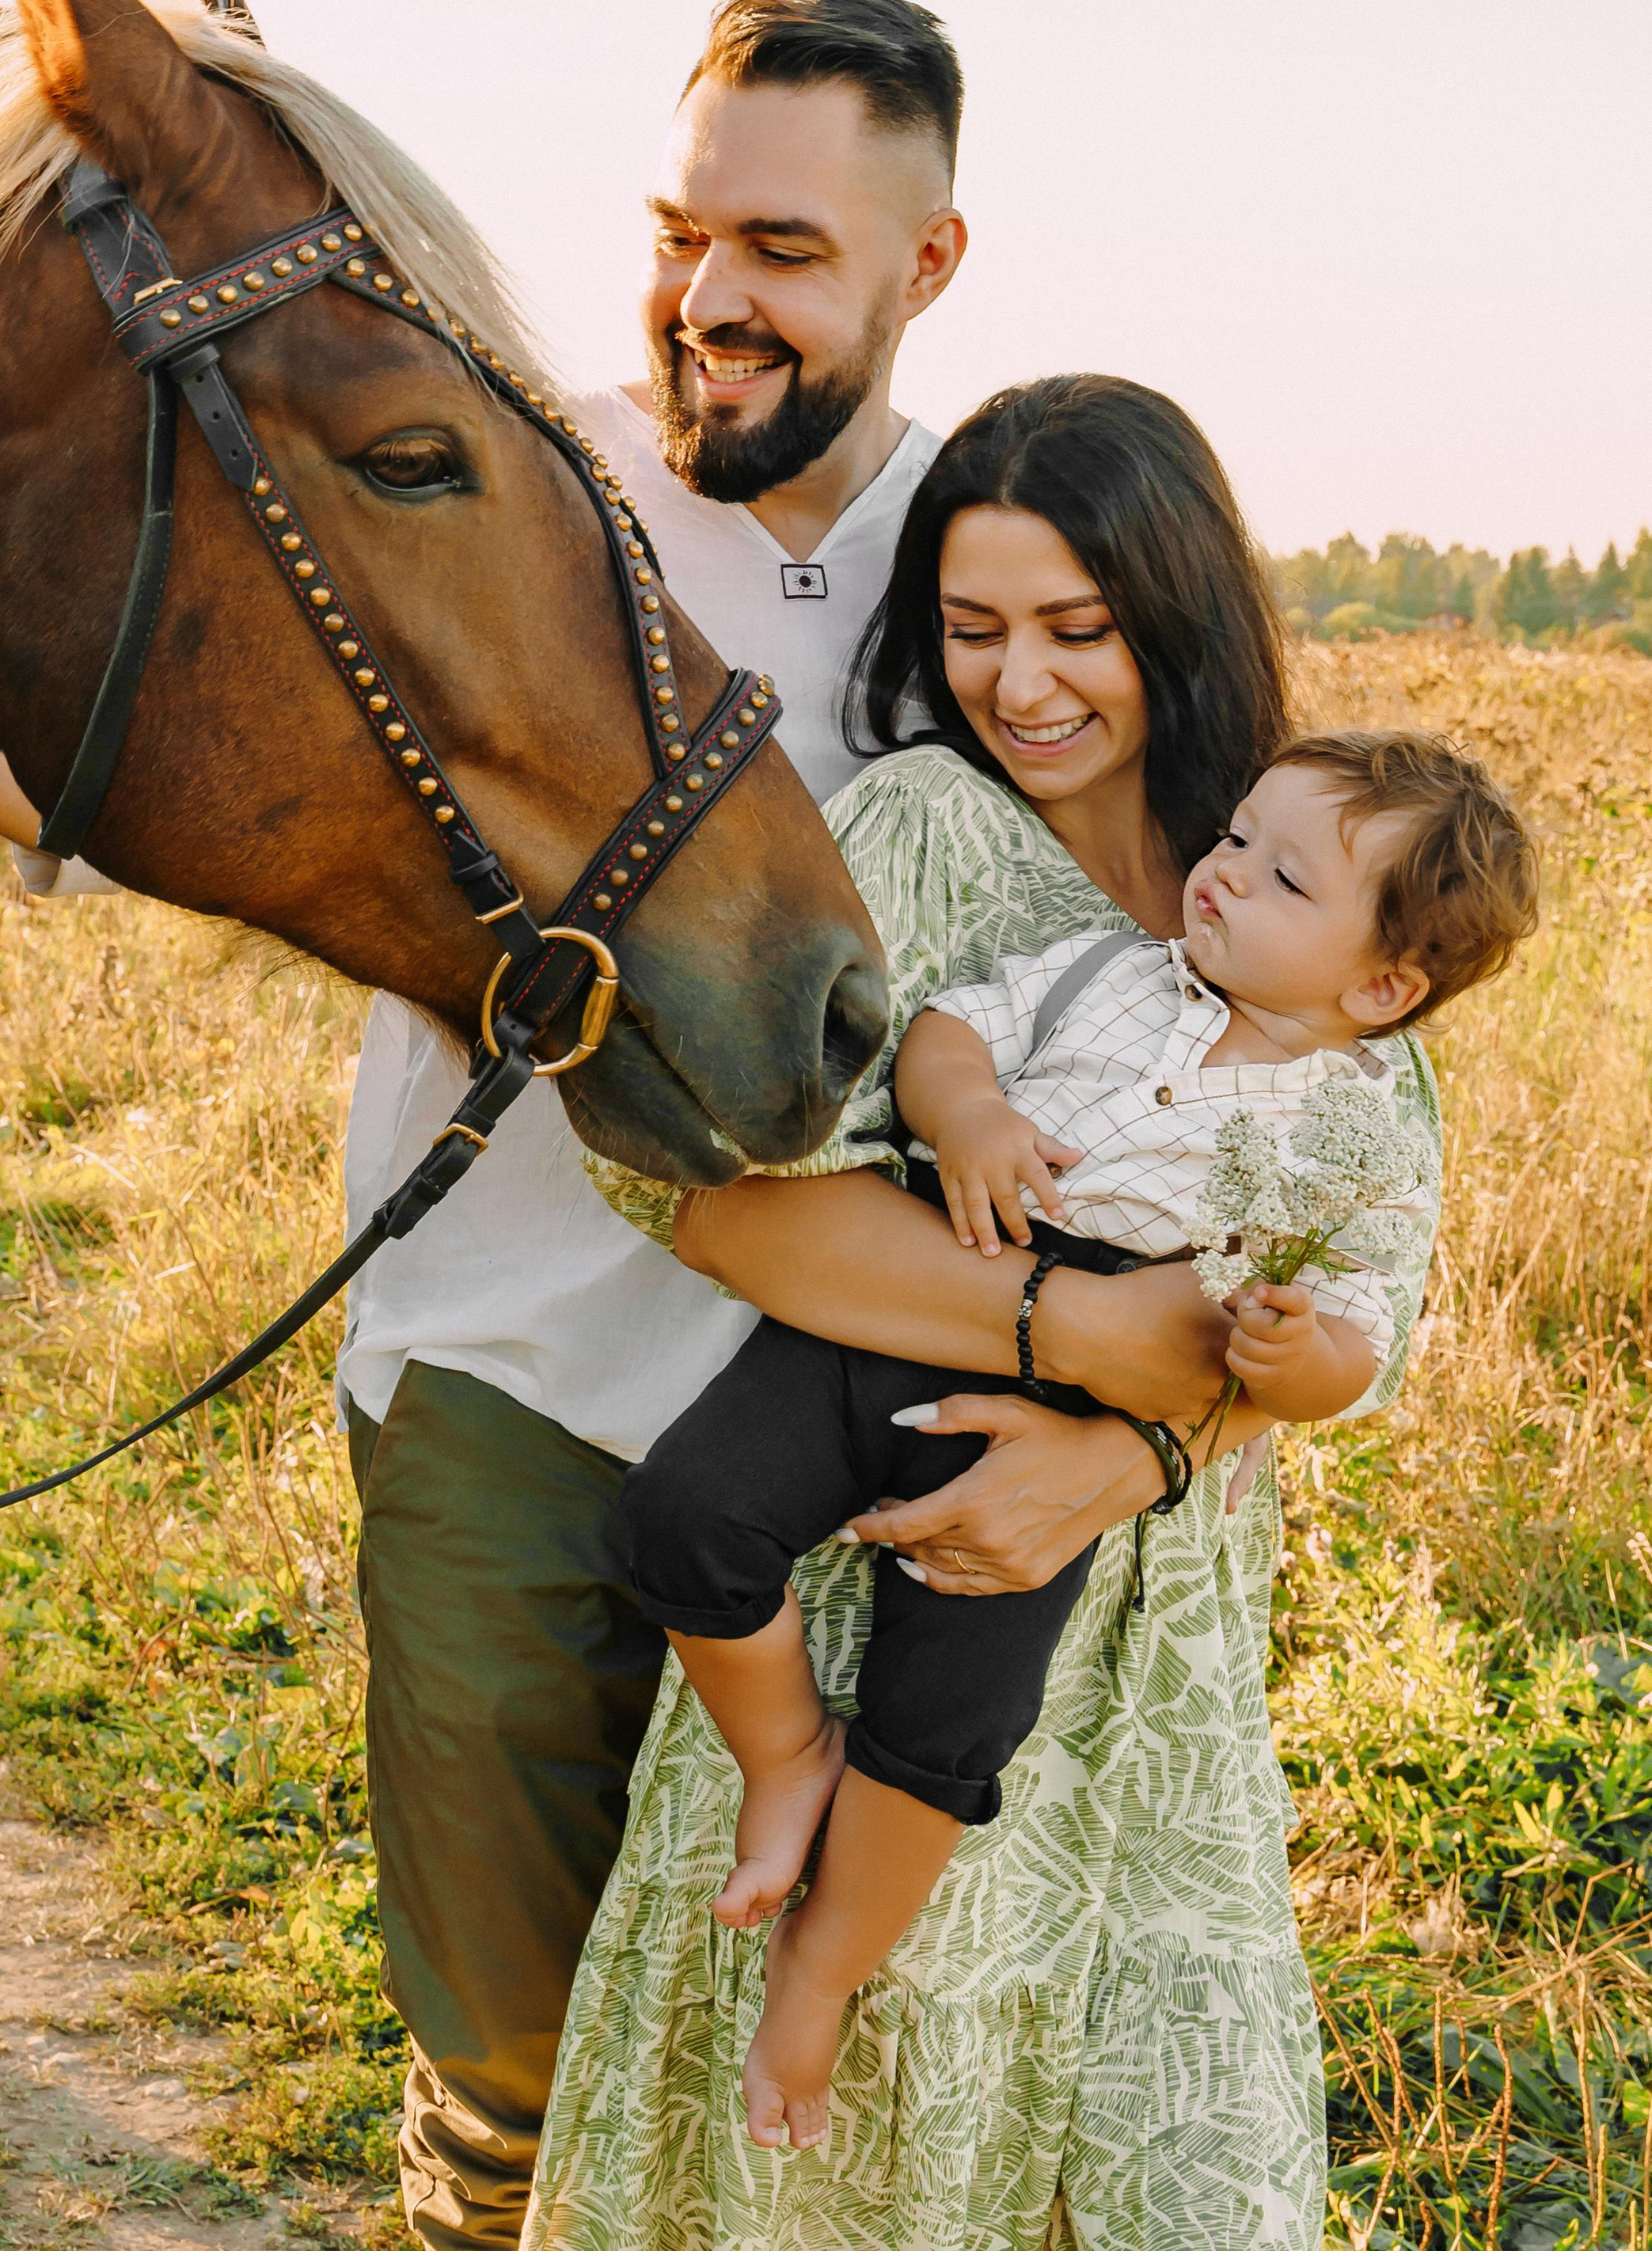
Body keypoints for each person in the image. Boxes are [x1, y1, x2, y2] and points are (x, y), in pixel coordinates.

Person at [503, 375, 1449, 2251]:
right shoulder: (911, 833)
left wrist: (1130, 1453)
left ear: (1177, 615)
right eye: (970, 627)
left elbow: (1364, 1296)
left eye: (1076, 629)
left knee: (1169, 2190)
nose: (1019, 684)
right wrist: (1062, 1324)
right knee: (850, 2174)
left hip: (1160, 1663)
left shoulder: (1315, 867)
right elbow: (700, 1192)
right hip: (880, 1568)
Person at [340, 0, 969, 2251]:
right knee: (499, 2028)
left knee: (805, 2045)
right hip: (499, 1359)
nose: (708, 296)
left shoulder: (999, 556)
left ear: (929, 262)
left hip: (844, 1409)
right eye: (681, 231)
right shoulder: (513, 483)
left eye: (784, 250)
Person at [621, 729, 1536, 2151]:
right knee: (684, 1515)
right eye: (1235, 838)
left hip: (1068, 1422)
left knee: (952, 1728)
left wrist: (1290, 1361)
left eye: (1281, 878)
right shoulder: (1114, 972)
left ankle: (821, 1970)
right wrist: (971, 1114)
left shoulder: (1357, 1132)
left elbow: (1355, 1343)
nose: (1224, 874)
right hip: (918, 1287)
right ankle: (785, 1753)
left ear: (1380, 986)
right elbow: (948, 1034)